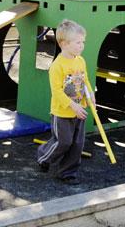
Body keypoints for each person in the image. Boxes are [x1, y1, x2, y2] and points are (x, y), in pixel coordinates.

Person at [36, 19, 94, 185]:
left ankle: (67, 172)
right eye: (78, 42)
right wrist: (73, 105)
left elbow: (85, 80)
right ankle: (44, 156)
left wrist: (90, 94)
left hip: (79, 111)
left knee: (77, 144)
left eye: (83, 42)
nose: (81, 46)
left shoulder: (80, 61)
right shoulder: (57, 66)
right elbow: (57, 92)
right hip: (62, 113)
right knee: (64, 142)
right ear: (64, 43)